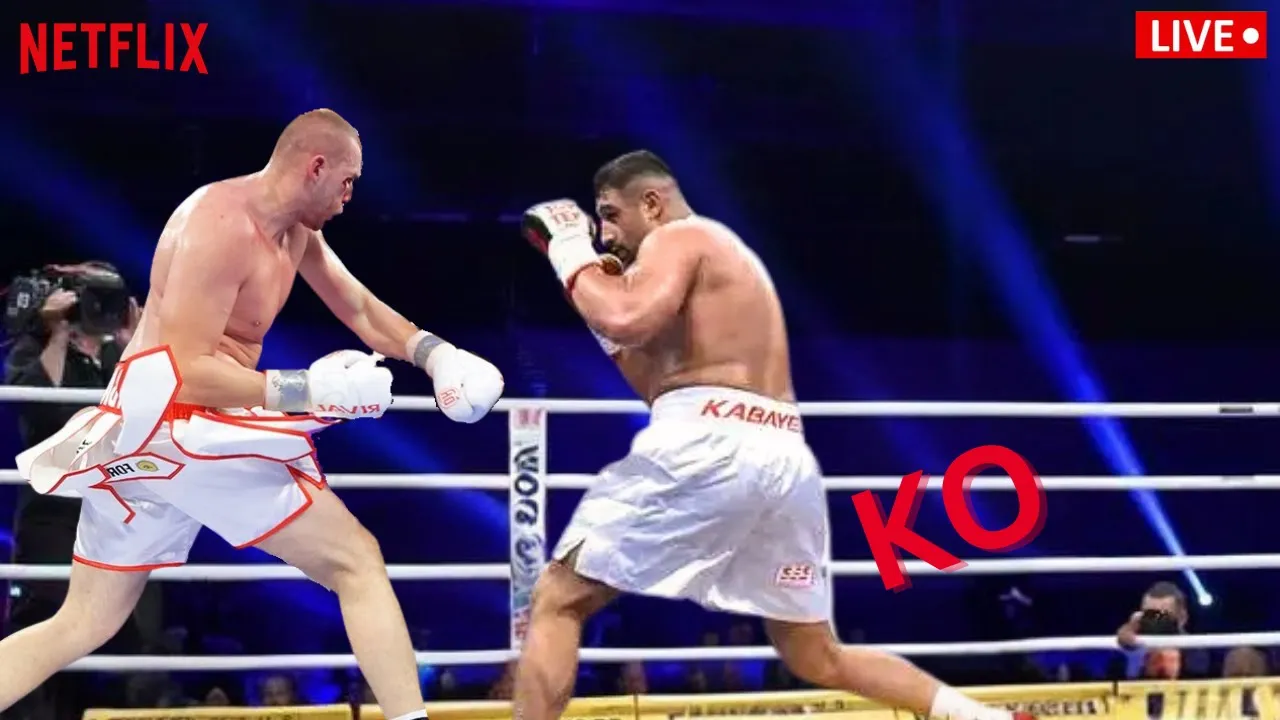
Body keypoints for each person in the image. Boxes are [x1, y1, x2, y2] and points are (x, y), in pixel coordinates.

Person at [0, 108, 505, 720]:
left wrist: (436, 354)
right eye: (347, 181)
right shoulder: (218, 225)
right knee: (356, 561)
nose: (349, 198)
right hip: (181, 422)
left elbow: (360, 308)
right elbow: (186, 371)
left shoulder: (295, 232)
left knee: (82, 622)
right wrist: (311, 391)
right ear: (315, 167)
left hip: (142, 435)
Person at [517, 150, 1028, 720]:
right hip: (779, 457)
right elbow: (654, 383)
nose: (605, 232)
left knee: (559, 597)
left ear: (652, 203)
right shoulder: (723, 261)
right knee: (816, 654)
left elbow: (625, 318)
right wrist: (595, 294)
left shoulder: (679, 237)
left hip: (711, 445)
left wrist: (570, 250)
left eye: (611, 215)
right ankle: (986, 719)